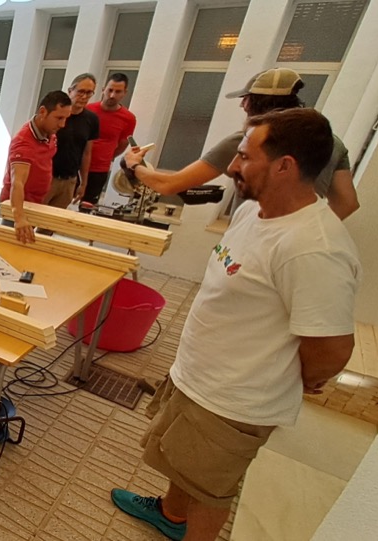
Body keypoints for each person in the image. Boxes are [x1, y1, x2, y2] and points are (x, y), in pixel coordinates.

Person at [111, 108, 360, 541]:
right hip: (199, 376)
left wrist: (278, 376)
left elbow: (331, 350)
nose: (231, 167)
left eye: (245, 156)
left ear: (285, 166)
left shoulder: (313, 248)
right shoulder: (252, 212)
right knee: (183, 459)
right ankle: (171, 515)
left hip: (235, 399)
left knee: (211, 487)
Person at [122, 68, 360, 220]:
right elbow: (347, 203)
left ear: (257, 102)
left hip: (248, 244)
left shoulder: (249, 141)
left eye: (245, 99)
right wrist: (306, 231)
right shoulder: (331, 142)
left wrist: (134, 165)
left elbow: (170, 185)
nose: (241, 105)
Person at [0, 91, 73, 243]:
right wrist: (19, 218)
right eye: (59, 118)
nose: (62, 124)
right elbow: (17, 182)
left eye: (66, 118)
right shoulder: (23, 143)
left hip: (36, 202)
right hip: (19, 206)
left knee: (26, 248)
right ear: (42, 112)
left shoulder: (49, 134)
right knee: (10, 250)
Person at [47, 73, 100, 210]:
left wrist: (83, 182)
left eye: (89, 93)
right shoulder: (56, 114)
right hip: (48, 176)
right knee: (32, 218)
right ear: (70, 91)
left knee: (51, 225)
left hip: (69, 179)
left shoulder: (91, 120)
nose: (84, 97)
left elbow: (86, 153)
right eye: (81, 91)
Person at [82, 72, 136, 204]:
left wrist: (107, 156)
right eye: (110, 90)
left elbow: (122, 144)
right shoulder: (87, 110)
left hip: (99, 170)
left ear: (124, 93)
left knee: (87, 208)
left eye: (118, 91)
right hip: (76, 167)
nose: (112, 95)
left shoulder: (128, 119)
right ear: (103, 90)